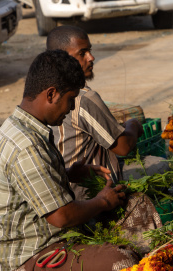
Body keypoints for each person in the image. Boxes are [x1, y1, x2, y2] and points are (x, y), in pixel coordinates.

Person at [0, 50, 140, 271]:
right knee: (123, 263)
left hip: (46, 240)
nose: (70, 108)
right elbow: (62, 216)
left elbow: (29, 185)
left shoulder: (19, 127)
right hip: (27, 260)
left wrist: (69, 174)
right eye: (70, 99)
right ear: (51, 94)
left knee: (135, 205)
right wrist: (103, 201)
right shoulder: (26, 145)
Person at [46, 25, 144, 201]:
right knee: (159, 166)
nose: (91, 58)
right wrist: (133, 125)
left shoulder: (47, 91)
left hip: (63, 191)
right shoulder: (84, 98)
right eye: (82, 53)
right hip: (89, 196)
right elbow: (123, 147)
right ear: (62, 60)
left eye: (90, 51)